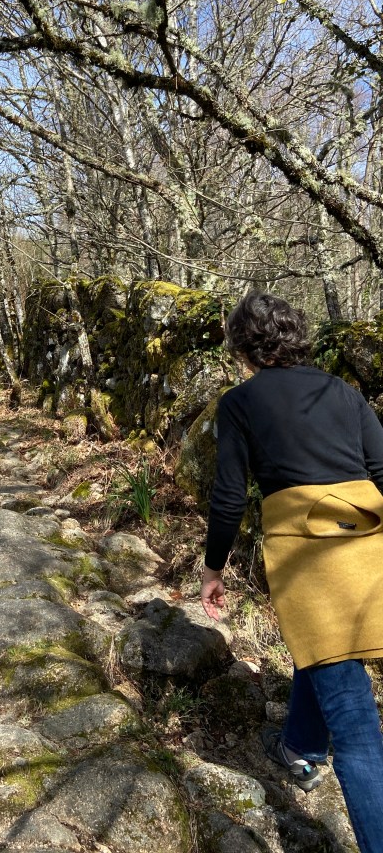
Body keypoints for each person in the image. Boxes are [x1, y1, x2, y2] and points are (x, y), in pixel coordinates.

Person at [201, 291, 383, 853]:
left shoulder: (239, 402)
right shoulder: (343, 393)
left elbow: (230, 496)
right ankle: (300, 748)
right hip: (368, 551)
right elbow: (381, 471)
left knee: (355, 725)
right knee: (324, 650)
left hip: (308, 560)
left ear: (242, 347)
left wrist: (213, 568)